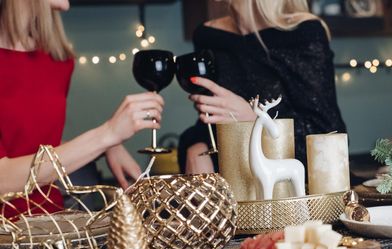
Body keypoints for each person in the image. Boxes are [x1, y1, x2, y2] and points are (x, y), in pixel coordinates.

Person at [0, 0, 163, 217]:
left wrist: (105, 146)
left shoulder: (59, 61)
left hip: (50, 226)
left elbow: (30, 146)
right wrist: (106, 135)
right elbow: (3, 178)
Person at [179, 0, 347, 175]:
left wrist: (255, 119)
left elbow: (328, 137)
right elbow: (209, 122)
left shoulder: (304, 32)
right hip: (232, 184)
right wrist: (196, 147)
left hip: (294, 189)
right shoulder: (207, 36)